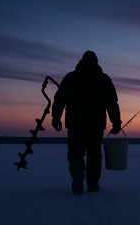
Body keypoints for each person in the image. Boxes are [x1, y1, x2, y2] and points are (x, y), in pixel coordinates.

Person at [51, 51, 122, 195]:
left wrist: (56, 117)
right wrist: (116, 122)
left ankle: (77, 170)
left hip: (75, 124)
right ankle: (93, 184)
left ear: (81, 61)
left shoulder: (71, 77)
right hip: (96, 125)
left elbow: (59, 99)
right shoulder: (103, 78)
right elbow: (112, 103)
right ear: (96, 62)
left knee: (75, 152)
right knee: (94, 154)